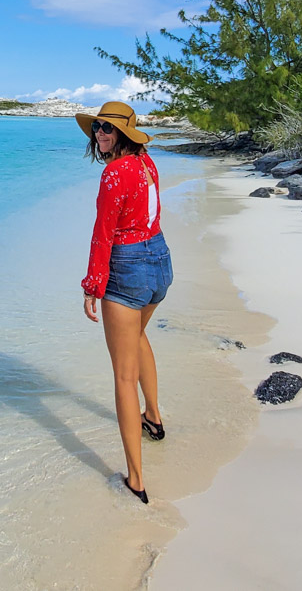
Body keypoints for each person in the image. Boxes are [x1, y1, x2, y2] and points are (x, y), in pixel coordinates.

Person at [76, 101, 174, 506]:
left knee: (122, 374)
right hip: (159, 261)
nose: (100, 134)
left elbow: (104, 232)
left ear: (124, 134)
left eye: (108, 129)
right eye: (98, 127)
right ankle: (154, 417)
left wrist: (93, 285)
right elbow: (152, 212)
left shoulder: (115, 172)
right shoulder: (146, 162)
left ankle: (135, 478)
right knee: (137, 340)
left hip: (128, 268)